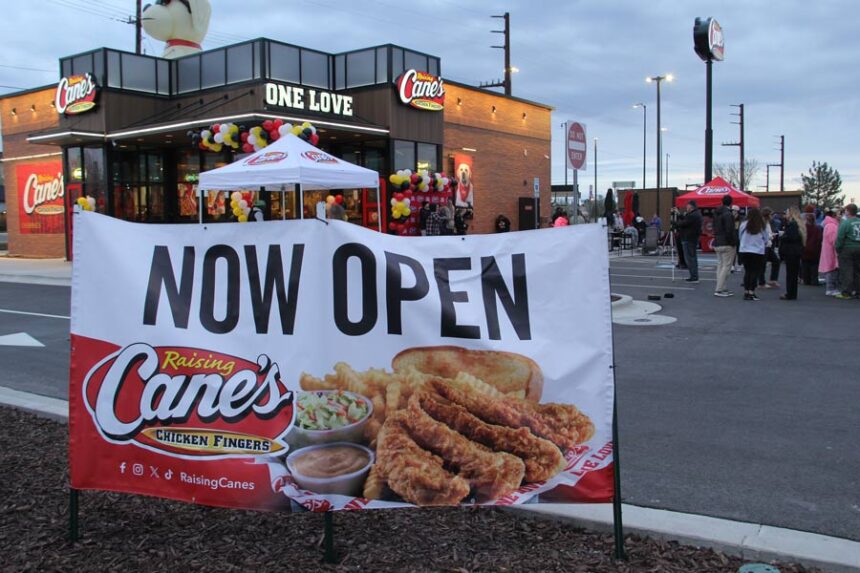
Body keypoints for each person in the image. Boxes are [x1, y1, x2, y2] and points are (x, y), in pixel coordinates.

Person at [739, 207, 768, 301]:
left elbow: (740, 236)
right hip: (757, 251)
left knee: (747, 271)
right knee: (755, 272)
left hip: (745, 250)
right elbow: (766, 238)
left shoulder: (744, 224)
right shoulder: (761, 225)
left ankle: (746, 291)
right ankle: (752, 291)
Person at [779, 206, 807, 300]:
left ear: (791, 213)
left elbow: (791, 237)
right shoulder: (799, 224)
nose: (785, 214)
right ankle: (792, 293)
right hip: (796, 251)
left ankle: (790, 293)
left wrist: (782, 236)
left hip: (791, 251)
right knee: (793, 273)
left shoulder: (792, 224)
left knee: (791, 274)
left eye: (787, 212)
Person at [712, 194, 737, 296]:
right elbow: (729, 230)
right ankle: (719, 289)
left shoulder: (716, 213)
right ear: (731, 203)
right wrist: (733, 242)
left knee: (720, 265)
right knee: (726, 266)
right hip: (727, 242)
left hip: (717, 241)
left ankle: (722, 287)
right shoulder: (728, 214)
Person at [835, 203, 860, 299]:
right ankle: (858, 291)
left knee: (847, 271)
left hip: (848, 249)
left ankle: (846, 292)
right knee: (858, 271)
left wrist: (838, 248)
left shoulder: (845, 223)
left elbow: (840, 237)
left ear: (848, 211)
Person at [675, 200, 703, 283]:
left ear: (691, 207)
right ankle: (694, 276)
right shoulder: (695, 214)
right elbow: (686, 220)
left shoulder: (693, 215)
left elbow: (685, 222)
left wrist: (675, 223)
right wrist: (679, 214)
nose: (686, 208)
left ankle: (694, 276)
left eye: (687, 206)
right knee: (692, 257)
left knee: (690, 258)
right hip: (691, 238)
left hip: (689, 239)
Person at [819, 209, 841, 296]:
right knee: (832, 269)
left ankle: (831, 288)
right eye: (839, 214)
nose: (840, 216)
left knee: (830, 269)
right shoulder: (832, 226)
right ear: (834, 215)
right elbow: (834, 240)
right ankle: (831, 288)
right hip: (831, 251)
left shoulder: (828, 224)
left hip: (828, 250)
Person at [758, 208, 781, 289]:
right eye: (771, 214)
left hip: (768, 246)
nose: (772, 216)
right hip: (764, 246)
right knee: (762, 265)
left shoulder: (767, 223)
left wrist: (771, 235)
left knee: (776, 261)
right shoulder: (763, 223)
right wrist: (772, 236)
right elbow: (764, 235)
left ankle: (773, 279)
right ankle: (761, 283)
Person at [801, 212, 823, 286]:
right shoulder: (817, 228)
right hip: (815, 250)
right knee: (814, 266)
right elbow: (819, 239)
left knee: (805, 265)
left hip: (805, 249)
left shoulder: (803, 228)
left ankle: (806, 280)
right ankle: (814, 281)